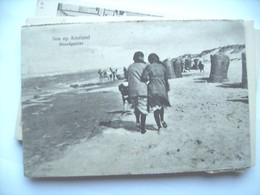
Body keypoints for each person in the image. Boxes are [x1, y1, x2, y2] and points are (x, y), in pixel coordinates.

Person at [142, 53, 171, 132]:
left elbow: (143, 77)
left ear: (150, 60)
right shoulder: (162, 67)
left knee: (155, 109)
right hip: (162, 88)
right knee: (161, 106)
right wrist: (167, 88)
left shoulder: (149, 67)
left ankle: (159, 126)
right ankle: (162, 120)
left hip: (153, 89)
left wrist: (148, 80)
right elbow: (166, 78)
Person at [127, 51, 148, 134]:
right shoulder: (145, 66)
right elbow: (147, 77)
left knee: (136, 107)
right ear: (142, 57)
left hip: (132, 90)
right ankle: (142, 128)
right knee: (143, 108)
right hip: (142, 90)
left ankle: (137, 122)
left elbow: (127, 77)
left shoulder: (130, 67)